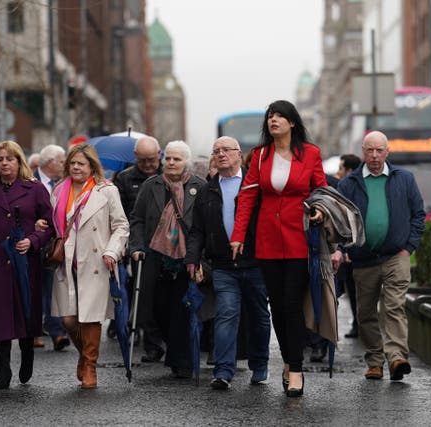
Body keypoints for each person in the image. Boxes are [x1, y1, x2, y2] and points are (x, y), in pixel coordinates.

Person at [230, 100, 326, 397]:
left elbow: (321, 190)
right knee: (277, 307)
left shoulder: (310, 154)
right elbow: (246, 198)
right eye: (270, 116)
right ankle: (287, 359)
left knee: (291, 304)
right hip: (267, 240)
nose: (274, 120)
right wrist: (238, 235)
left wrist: (320, 210)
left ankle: (296, 370)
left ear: (292, 122)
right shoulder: (259, 156)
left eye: (280, 116)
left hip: (299, 239)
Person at [335, 131, 425, 381]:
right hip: (363, 259)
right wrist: (344, 249)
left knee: (394, 306)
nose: (374, 156)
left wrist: (409, 247)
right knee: (365, 313)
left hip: (397, 255)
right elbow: (341, 222)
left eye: (379, 151)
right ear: (363, 152)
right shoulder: (349, 184)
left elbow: (418, 215)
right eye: (370, 151)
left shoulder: (404, 179)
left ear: (387, 152)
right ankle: (375, 361)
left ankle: (397, 357)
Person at [185, 136, 271, 390]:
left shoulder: (255, 186)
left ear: (238, 154)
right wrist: (192, 257)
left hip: (255, 263)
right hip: (223, 265)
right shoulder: (206, 190)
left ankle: (260, 364)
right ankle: (223, 371)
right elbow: (197, 230)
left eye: (226, 150)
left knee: (259, 316)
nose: (221, 154)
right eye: (216, 151)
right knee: (226, 314)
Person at [0, 141, 54, 389]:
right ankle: (3, 370)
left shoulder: (35, 189)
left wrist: (33, 240)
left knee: (26, 311)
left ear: (19, 162)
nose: (5, 163)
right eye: (0, 159)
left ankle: (27, 355)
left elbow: (50, 224)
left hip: (26, 262)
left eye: (10, 158)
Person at [50, 144, 129, 389]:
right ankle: (85, 357)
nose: (75, 167)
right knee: (69, 320)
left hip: (95, 262)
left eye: (81, 163)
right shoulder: (58, 190)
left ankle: (90, 366)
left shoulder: (106, 191)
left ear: (92, 166)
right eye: (72, 163)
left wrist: (112, 251)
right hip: (66, 261)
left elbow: (121, 226)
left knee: (90, 318)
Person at [129, 140, 205, 378]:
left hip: (187, 257)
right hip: (155, 257)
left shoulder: (199, 186)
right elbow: (137, 218)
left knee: (181, 309)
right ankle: (173, 350)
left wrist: (201, 257)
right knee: (158, 309)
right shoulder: (151, 185)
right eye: (168, 158)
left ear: (186, 163)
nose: (171, 163)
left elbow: (204, 225)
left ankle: (180, 361)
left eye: (177, 159)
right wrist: (137, 246)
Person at [113, 136, 162, 359]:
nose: (148, 164)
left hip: (168, 243)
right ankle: (152, 343)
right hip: (139, 245)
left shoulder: (169, 172)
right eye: (143, 160)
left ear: (159, 154)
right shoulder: (124, 179)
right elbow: (119, 215)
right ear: (135, 158)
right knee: (143, 293)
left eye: (152, 159)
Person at [33, 144, 69, 350]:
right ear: (49, 162)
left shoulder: (62, 184)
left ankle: (57, 333)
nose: (64, 165)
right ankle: (35, 332)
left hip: (55, 244)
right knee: (36, 289)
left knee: (54, 288)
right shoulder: (30, 181)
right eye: (62, 161)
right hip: (33, 243)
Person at [336, 153, 361, 339]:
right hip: (348, 250)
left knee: (355, 290)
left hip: (356, 251)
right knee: (351, 290)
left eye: (341, 168)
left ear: (350, 171)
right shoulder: (344, 187)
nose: (338, 172)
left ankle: (359, 324)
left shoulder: (353, 189)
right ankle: (357, 323)